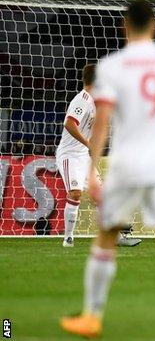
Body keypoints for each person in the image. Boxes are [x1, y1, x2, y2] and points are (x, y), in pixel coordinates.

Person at [61, 0, 155, 339]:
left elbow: (102, 122)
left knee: (106, 237)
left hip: (127, 161)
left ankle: (92, 316)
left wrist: (92, 169)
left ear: (124, 26)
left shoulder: (111, 67)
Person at [55, 64, 97, 248]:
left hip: (83, 155)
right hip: (70, 155)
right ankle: (68, 237)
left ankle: (116, 235)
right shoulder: (83, 99)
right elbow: (69, 123)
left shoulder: (96, 102)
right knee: (75, 192)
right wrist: (87, 143)